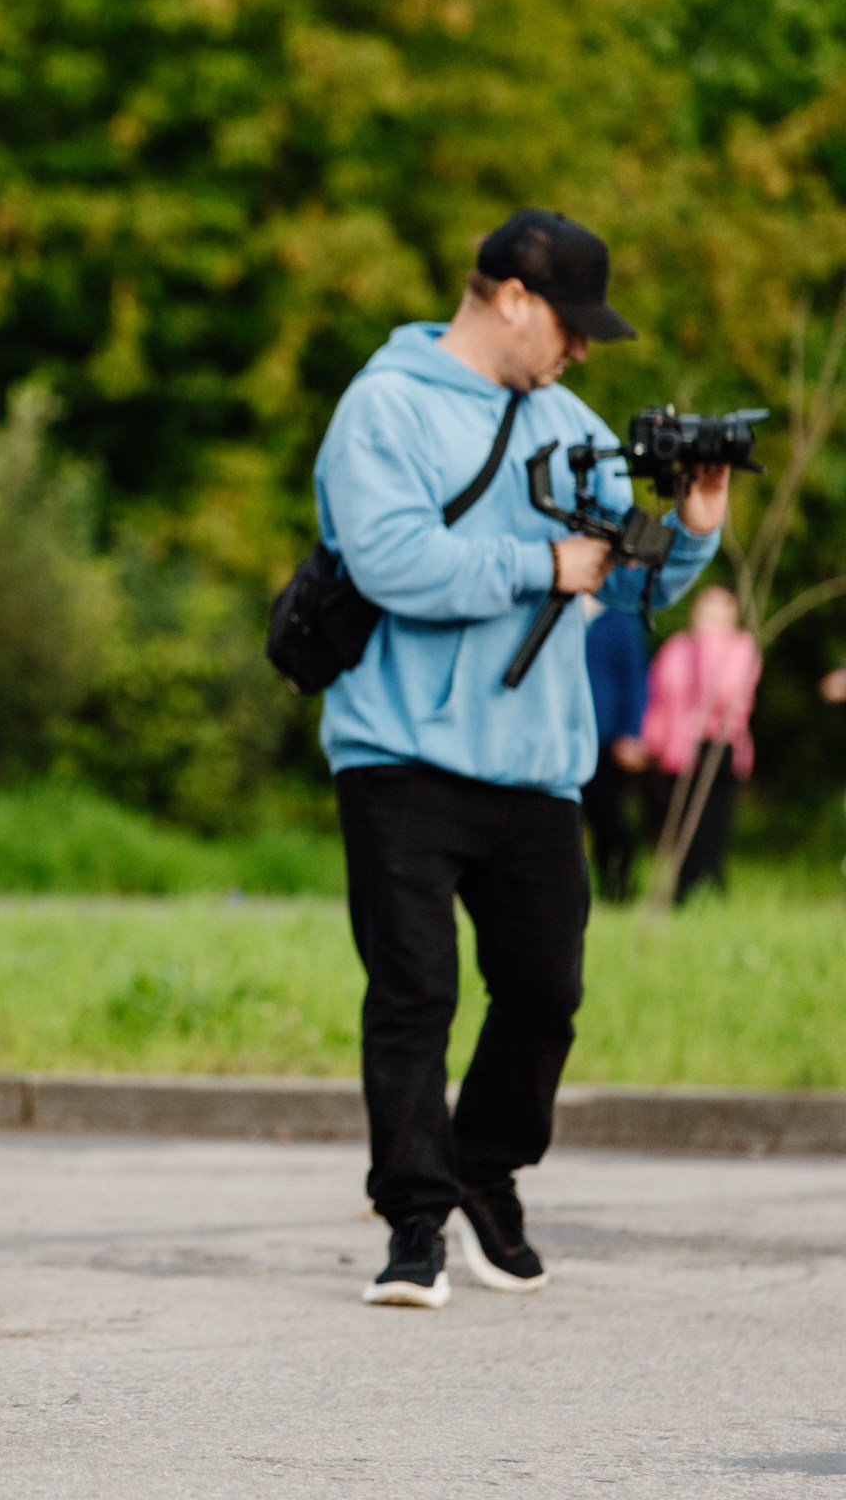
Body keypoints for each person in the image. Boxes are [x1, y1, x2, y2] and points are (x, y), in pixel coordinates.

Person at [314, 208, 728, 1309]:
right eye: (572, 324)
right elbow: (395, 562)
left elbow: (628, 588)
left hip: (539, 761)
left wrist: (690, 527)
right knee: (414, 995)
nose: (582, 349)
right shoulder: (384, 407)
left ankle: (486, 1171)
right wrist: (542, 561)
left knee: (546, 991)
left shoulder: (577, 424)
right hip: (400, 750)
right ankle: (414, 1222)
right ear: (509, 298)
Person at [640, 585, 760, 902]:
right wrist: (650, 740)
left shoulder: (741, 648)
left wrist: (709, 645)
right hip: (677, 752)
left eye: (720, 614)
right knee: (678, 827)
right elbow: (659, 698)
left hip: (717, 746)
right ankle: (681, 892)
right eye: (707, 613)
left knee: (710, 827)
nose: (712, 621)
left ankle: (709, 893)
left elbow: (723, 696)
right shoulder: (676, 648)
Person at [580, 596, 652, 900]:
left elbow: (634, 678)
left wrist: (631, 732)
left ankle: (618, 891)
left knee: (609, 819)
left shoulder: (620, 618)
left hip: (607, 737)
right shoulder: (556, 608)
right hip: (563, 734)